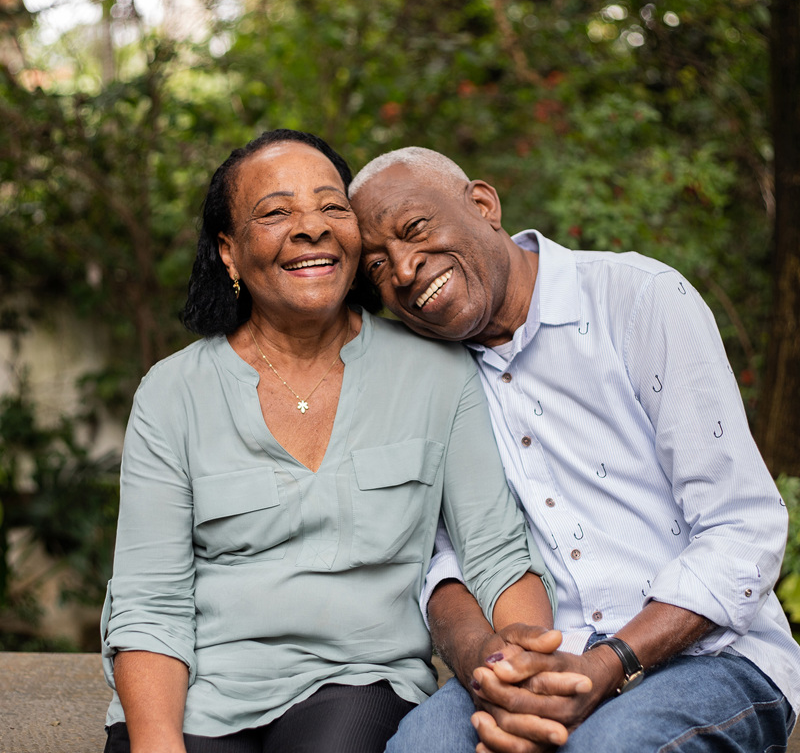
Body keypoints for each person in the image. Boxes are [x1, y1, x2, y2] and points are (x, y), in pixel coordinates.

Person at [100, 130, 562, 753]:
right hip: (200, 690)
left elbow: (495, 554)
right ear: (230, 252)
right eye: (277, 212)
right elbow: (149, 604)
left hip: (359, 679)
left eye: (331, 206)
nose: (310, 227)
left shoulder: (435, 373)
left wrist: (525, 673)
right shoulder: (172, 393)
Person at [349, 146, 800, 753]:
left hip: (713, 654)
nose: (403, 270)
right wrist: (492, 667)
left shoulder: (637, 298)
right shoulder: (430, 378)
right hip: (540, 660)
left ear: (483, 205)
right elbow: (442, 563)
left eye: (415, 229)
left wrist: (607, 665)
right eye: (377, 266)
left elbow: (744, 528)